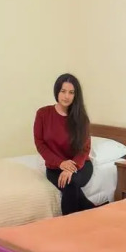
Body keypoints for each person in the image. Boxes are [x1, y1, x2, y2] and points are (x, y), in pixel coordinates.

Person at [34, 73, 95, 215]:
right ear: (57, 91)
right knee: (70, 185)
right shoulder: (43, 114)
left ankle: (67, 225)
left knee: (70, 182)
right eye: (63, 91)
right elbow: (40, 143)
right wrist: (60, 163)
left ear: (75, 95)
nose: (66, 96)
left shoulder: (81, 119)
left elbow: (85, 149)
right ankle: (96, 211)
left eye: (71, 92)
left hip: (81, 166)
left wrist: (71, 168)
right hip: (54, 167)